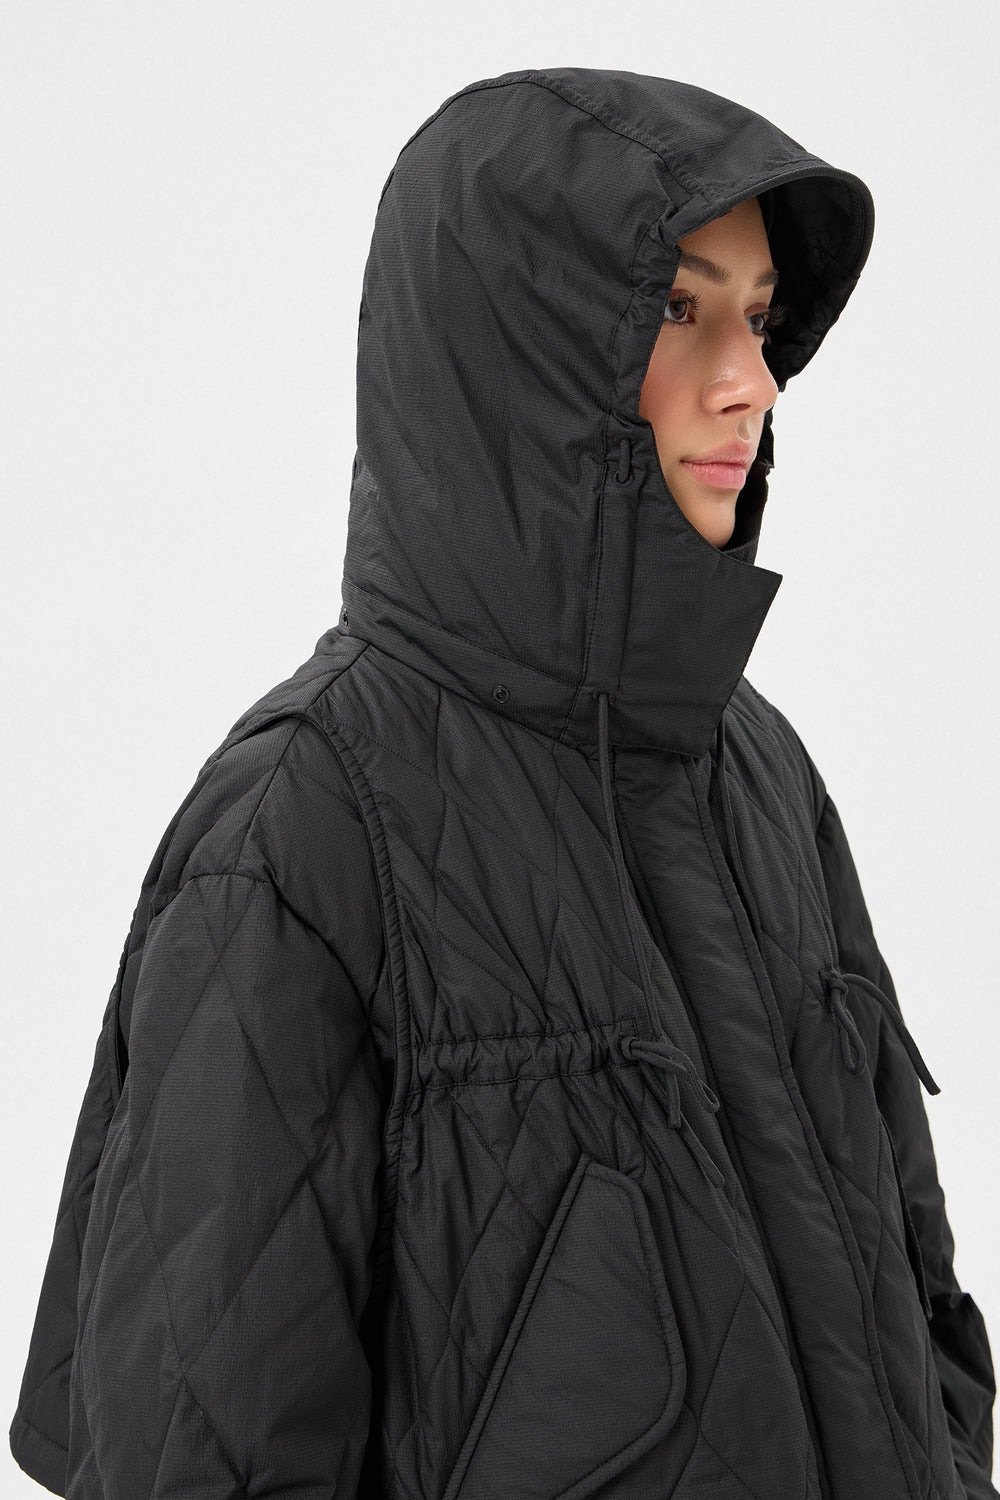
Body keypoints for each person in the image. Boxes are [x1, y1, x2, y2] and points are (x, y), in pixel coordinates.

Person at [9, 66, 997, 1500]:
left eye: (759, 314)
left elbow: (918, 1292)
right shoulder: (302, 828)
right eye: (680, 309)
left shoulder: (759, 767)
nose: (751, 380)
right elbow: (204, 1451)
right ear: (520, 350)